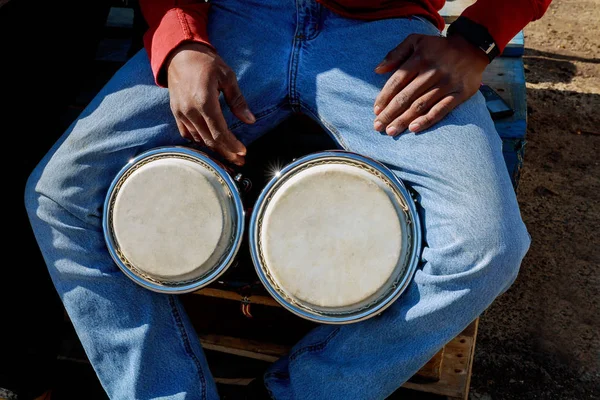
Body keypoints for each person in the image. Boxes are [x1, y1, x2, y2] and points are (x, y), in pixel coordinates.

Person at [24, 0, 551, 398]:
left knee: (488, 244)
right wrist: (179, 37)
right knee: (62, 195)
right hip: (235, 19)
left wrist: (478, 39)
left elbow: (487, 247)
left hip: (386, 39)